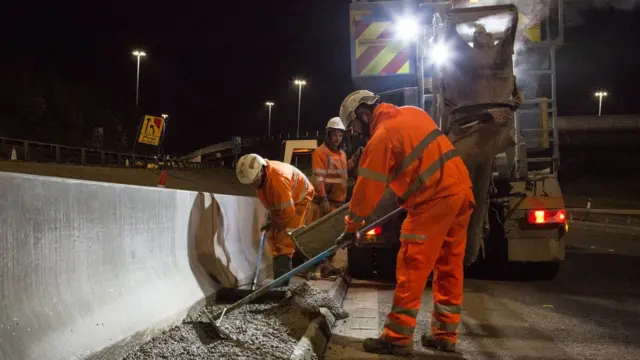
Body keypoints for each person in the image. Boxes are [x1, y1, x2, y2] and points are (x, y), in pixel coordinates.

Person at [336, 90, 475, 355]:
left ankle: (397, 337)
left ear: (364, 114)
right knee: (449, 265)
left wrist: (351, 228)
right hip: (461, 192)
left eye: (354, 126)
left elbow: (366, 191)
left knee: (413, 263)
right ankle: (445, 335)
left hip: (433, 199)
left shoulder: (382, 137)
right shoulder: (414, 112)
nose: (356, 132)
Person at [235, 153, 314, 286]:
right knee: (275, 235)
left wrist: (275, 222)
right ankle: (289, 267)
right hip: (287, 199)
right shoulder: (262, 175)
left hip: (299, 198)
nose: (251, 186)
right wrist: (273, 220)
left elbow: (288, 213)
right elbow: (275, 204)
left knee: (285, 239)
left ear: (261, 171)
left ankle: (281, 284)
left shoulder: (277, 181)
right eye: (249, 183)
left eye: (253, 182)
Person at [305, 117, 362, 277]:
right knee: (323, 236)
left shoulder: (342, 153)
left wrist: (355, 159)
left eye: (340, 135)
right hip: (326, 202)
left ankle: (326, 266)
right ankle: (320, 265)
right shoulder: (320, 153)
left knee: (333, 237)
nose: (338, 138)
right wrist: (322, 198)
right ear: (328, 135)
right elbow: (318, 178)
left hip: (338, 203)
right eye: (335, 135)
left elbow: (344, 170)